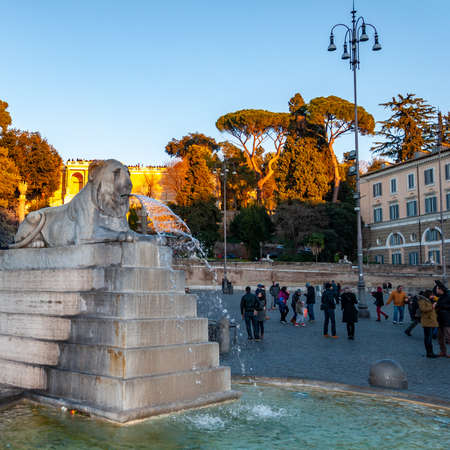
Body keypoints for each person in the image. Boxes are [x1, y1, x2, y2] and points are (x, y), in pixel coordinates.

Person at [417, 290, 439, 358]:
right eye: (431, 295)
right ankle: (429, 353)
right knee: (428, 338)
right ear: (428, 294)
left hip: (430, 321)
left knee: (429, 338)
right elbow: (423, 309)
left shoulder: (428, 300)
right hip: (427, 322)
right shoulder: (422, 300)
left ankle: (431, 352)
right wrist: (432, 306)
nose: (432, 296)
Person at [434, 280, 450, 358]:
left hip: (447, 320)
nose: (436, 290)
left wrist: (439, 306)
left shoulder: (448, 295)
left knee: (449, 337)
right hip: (440, 319)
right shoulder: (441, 297)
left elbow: (445, 305)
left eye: (437, 289)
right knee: (440, 338)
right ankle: (443, 352)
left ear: (441, 290)